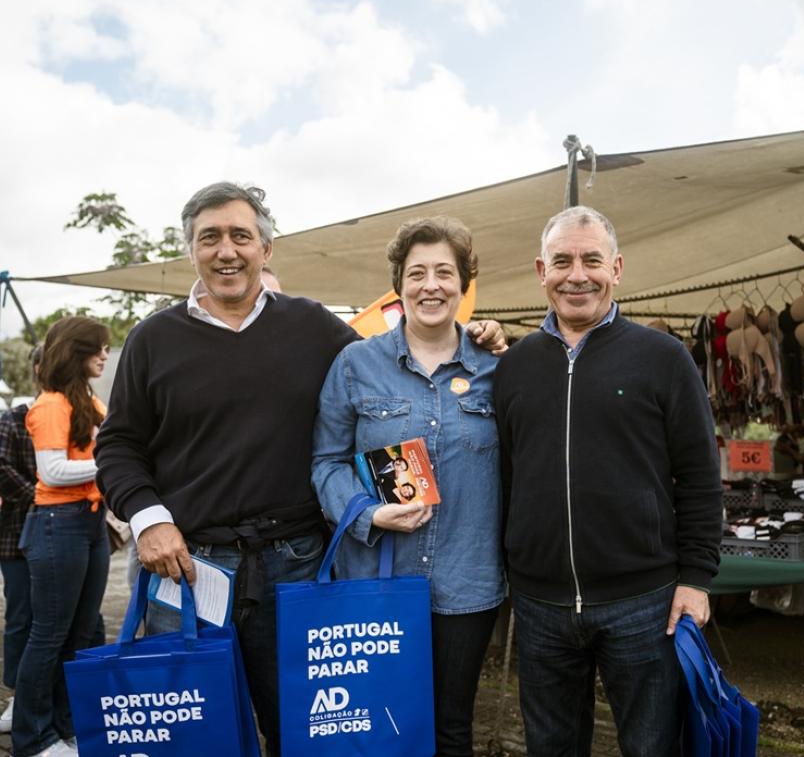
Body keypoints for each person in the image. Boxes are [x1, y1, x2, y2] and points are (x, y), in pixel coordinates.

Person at [94, 183, 505, 757]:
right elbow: (117, 445)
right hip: (188, 564)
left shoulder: (313, 328)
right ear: (190, 250)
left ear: (267, 248)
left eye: (241, 235)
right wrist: (148, 518)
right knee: (192, 734)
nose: (226, 250)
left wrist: (480, 335)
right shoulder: (152, 338)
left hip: (294, 563)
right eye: (209, 237)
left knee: (308, 730)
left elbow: (398, 358)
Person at [493, 206, 723, 757]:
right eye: (562, 261)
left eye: (591, 260)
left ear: (616, 268)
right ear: (540, 270)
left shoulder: (664, 358)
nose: (577, 275)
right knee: (551, 746)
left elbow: (699, 475)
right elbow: (506, 475)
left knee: (651, 746)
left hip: (642, 603)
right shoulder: (513, 367)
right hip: (541, 605)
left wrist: (696, 577)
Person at [312, 215, 505, 757]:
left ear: (464, 285)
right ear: (398, 284)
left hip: (466, 584)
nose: (431, 285)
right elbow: (325, 462)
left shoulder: (497, 366)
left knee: (450, 730)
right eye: (416, 273)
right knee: (376, 725)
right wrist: (366, 513)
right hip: (377, 575)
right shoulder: (355, 364)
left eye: (445, 272)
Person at [14, 318, 111, 757]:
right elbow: (51, 470)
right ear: (78, 352)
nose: (105, 356)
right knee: (50, 634)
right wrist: (109, 467)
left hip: (89, 523)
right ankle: (33, 739)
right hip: (58, 523)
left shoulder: (89, 401)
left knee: (81, 632)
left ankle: (64, 727)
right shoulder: (52, 405)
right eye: (99, 349)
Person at [0, 344, 43, 735]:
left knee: (70, 620)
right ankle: (17, 696)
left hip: (73, 535)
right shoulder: (14, 420)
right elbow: (1, 468)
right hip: (16, 536)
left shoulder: (87, 414)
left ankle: (59, 696)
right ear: (36, 369)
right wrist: (44, 496)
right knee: (21, 618)